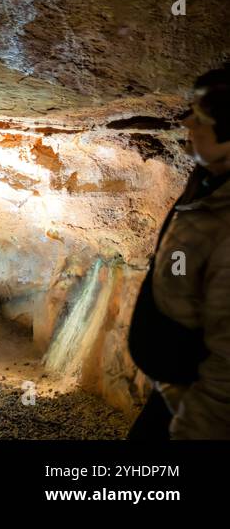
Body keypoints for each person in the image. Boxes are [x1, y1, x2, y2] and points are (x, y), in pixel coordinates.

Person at [128, 66, 230, 439]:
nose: (187, 121)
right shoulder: (209, 184)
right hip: (172, 390)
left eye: (200, 117)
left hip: (191, 404)